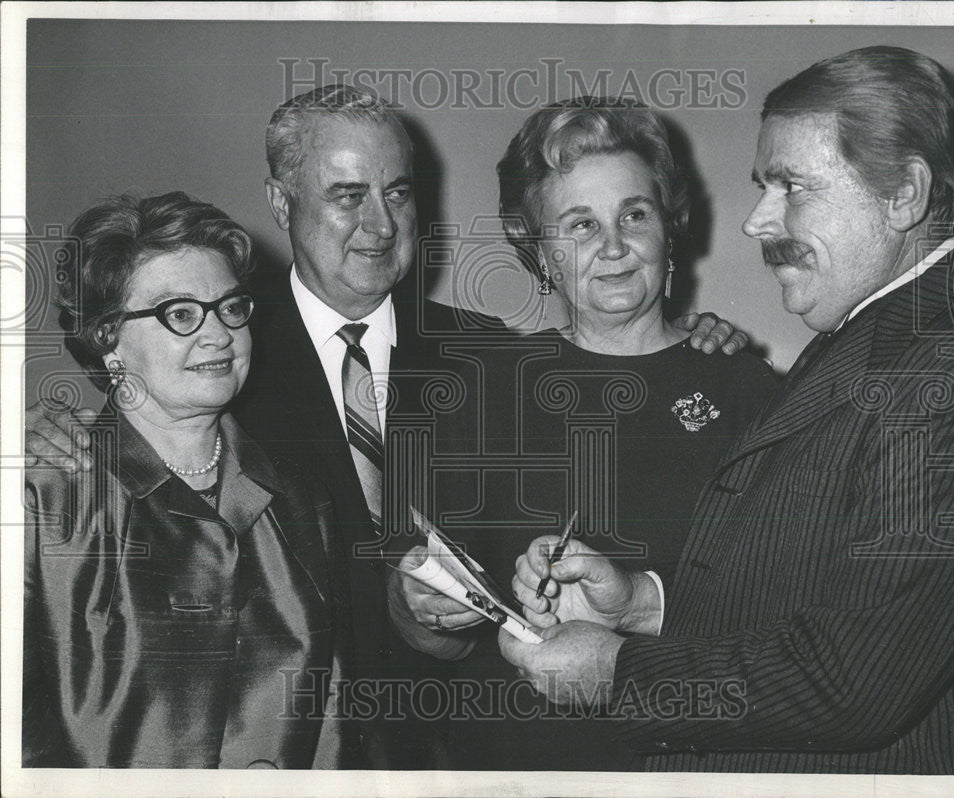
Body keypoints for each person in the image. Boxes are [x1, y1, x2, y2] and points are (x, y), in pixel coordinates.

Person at [24, 84, 747, 768]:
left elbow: (634, 371)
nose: (379, 224)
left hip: (455, 749)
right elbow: (129, 428)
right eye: (347, 197)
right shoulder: (225, 354)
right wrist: (32, 428)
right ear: (280, 201)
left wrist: (699, 347)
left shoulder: (486, 353)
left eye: (397, 193)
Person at [501, 46, 954, 774]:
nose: (758, 221)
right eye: (763, 186)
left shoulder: (951, 370)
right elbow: (792, 587)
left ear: (904, 194)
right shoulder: (867, 338)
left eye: (791, 186)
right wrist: (643, 604)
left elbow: (854, 682)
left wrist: (618, 671)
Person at [387, 97, 777, 770]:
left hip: (690, 761)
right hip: (508, 764)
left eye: (634, 214)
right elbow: (431, 636)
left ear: (669, 224)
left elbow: (784, 617)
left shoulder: (749, 393)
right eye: (580, 225)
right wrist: (422, 607)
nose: (615, 246)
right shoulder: (480, 391)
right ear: (538, 251)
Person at [23, 192, 354, 768]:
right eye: (180, 314)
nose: (219, 334)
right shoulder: (43, 497)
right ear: (107, 338)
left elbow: (332, 726)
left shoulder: (302, 499)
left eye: (230, 307)